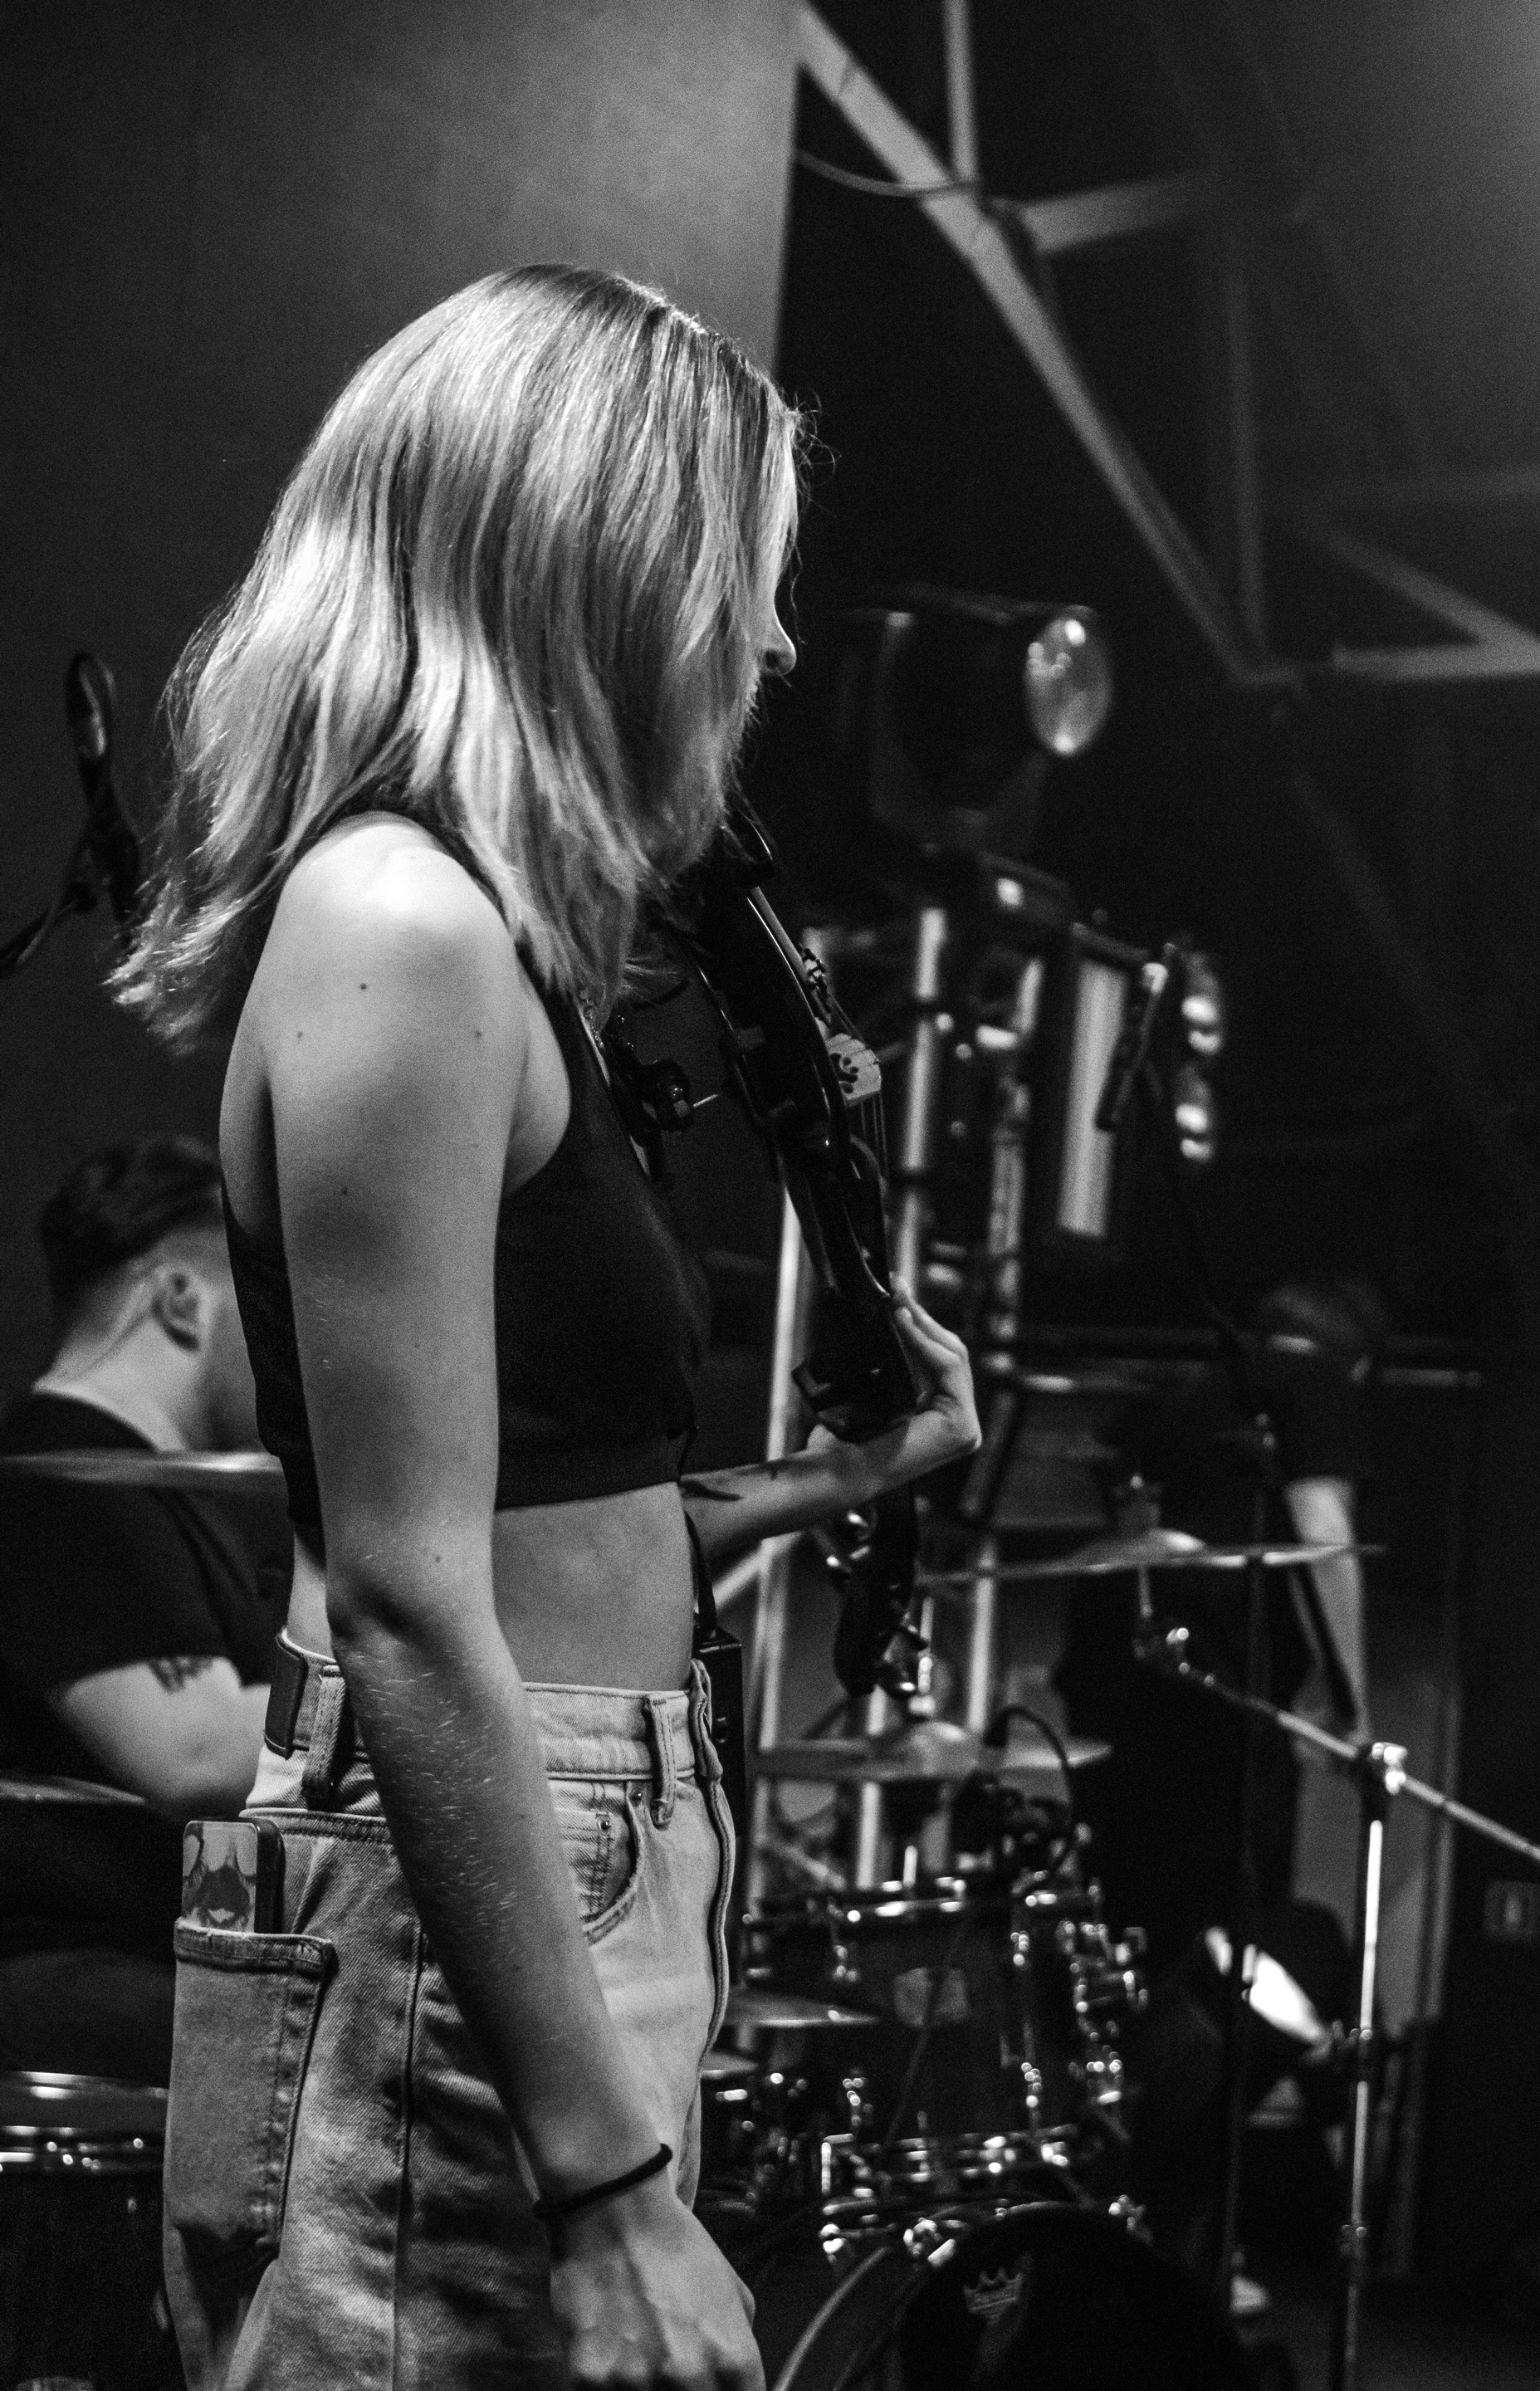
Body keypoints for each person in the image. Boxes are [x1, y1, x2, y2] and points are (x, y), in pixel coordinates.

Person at [116, 265, 980, 2389]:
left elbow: (537, 1534)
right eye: (740, 573)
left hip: (558, 1833)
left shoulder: (479, 942)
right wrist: (605, 2189)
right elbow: (409, 1604)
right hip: (482, 1876)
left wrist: (841, 1477)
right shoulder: (401, 922)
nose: (773, 643)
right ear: (599, 568)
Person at [1059, 1274, 1383, 2291]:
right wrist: (1351, 1704)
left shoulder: (1174, 1401)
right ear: (1356, 1363)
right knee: (1237, 1967)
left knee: (1141, 1964)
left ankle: (1120, 2222)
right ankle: (1178, 2240)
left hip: (1114, 1711)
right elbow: (1323, 1535)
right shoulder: (1309, 1388)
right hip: (1221, 1713)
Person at [0, 1136, 290, 2083]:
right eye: (265, 1305)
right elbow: (194, 1755)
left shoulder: (167, 1494)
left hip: (157, 1958)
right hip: (67, 1971)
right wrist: (430, 1675)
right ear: (179, 1299)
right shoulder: (62, 1484)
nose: (287, 1343)